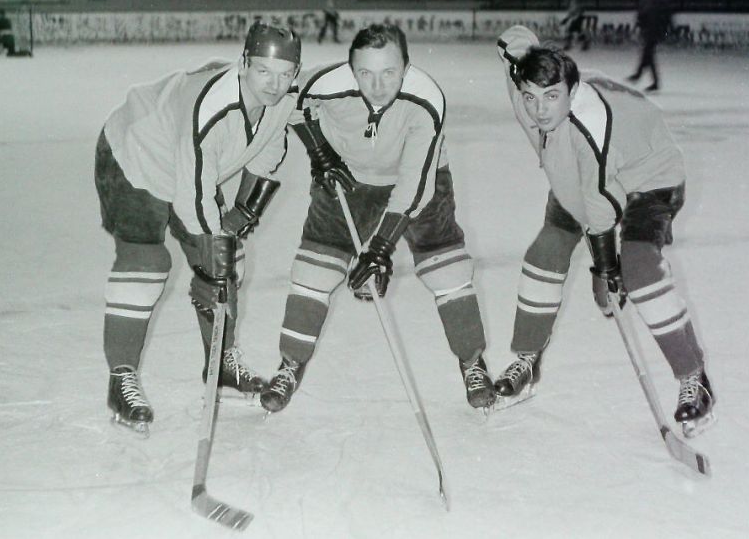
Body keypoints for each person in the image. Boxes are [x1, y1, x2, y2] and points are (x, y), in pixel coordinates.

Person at [259, 23, 495, 414]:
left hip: (419, 179)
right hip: (347, 177)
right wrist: (319, 151)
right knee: (313, 271)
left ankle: (472, 362)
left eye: (389, 72)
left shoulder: (426, 99)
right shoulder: (326, 84)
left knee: (447, 270)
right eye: (365, 73)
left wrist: (381, 248)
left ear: (406, 67)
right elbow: (289, 103)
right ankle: (290, 364)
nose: (378, 85)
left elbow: (414, 188)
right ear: (351, 69)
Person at [493, 25, 715, 438]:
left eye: (551, 97)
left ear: (571, 91)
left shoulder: (589, 126)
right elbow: (514, 39)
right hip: (583, 174)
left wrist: (607, 271)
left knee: (639, 267)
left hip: (650, 175)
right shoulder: (525, 81)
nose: (538, 110)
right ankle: (527, 360)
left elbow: (599, 205)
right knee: (545, 253)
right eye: (530, 97)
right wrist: (522, 44)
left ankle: (694, 377)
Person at [95, 22, 302, 435]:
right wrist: (212, 254)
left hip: (185, 163)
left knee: (230, 255)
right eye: (263, 71)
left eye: (284, 74)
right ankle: (121, 378)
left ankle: (221, 362)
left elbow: (266, 152)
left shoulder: (283, 100)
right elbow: (193, 196)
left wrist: (241, 215)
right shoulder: (213, 107)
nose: (274, 84)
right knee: (147, 262)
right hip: (136, 153)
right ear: (243, 64)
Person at [627, 0, 673, 92]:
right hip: (657, 32)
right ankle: (647, 79)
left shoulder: (645, 1)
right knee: (649, 55)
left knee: (648, 54)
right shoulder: (663, 2)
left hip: (649, 31)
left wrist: (639, 26)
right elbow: (667, 17)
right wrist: (667, 30)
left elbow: (641, 16)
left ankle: (639, 75)